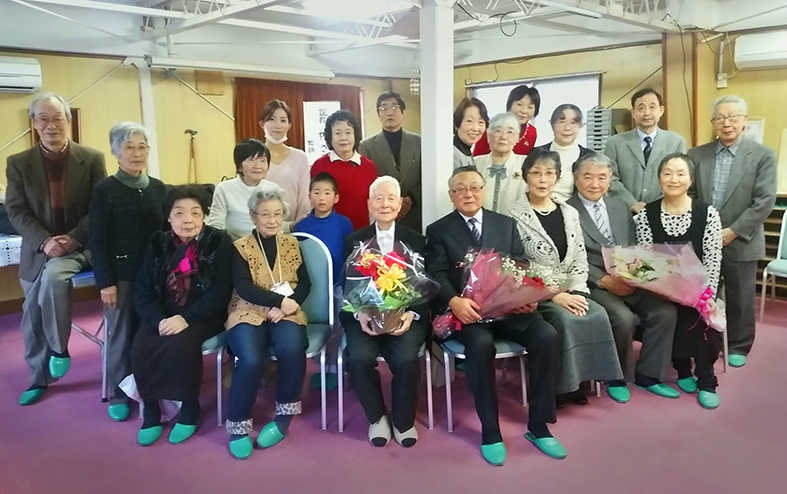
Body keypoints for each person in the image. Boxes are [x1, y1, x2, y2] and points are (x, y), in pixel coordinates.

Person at [426, 166, 564, 466]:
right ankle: (490, 430)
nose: (468, 194)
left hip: (507, 310)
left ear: (483, 190)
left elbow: (520, 265)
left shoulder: (505, 224)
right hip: (469, 313)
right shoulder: (438, 230)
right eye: (460, 189)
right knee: (480, 345)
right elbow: (435, 273)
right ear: (451, 195)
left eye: (474, 187)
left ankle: (539, 426)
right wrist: (454, 301)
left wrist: (525, 297)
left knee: (547, 336)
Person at [6, 91, 107, 406]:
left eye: (58, 118)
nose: (51, 125)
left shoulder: (91, 158)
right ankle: (39, 377)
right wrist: (45, 241)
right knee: (32, 313)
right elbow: (16, 211)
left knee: (51, 283)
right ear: (34, 123)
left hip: (82, 246)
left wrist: (74, 237)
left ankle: (59, 351)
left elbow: (99, 207)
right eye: (44, 119)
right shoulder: (18, 163)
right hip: (39, 250)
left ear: (68, 120)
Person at [505, 149, 623, 404]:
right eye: (536, 173)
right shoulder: (513, 216)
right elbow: (519, 264)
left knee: (596, 314)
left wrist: (578, 290)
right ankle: (560, 388)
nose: (543, 179)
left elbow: (580, 256)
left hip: (571, 288)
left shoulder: (569, 212)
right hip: (537, 294)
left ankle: (581, 382)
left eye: (549, 173)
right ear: (525, 176)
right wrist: (555, 295)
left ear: (557, 177)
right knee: (564, 320)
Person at [566, 152, 679, 401]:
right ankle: (615, 377)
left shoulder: (619, 206)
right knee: (623, 318)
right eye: (588, 177)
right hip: (595, 283)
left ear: (610, 179)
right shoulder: (566, 210)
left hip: (629, 279)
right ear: (576, 178)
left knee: (665, 312)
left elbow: (635, 246)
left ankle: (650, 376)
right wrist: (602, 279)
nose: (595, 184)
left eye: (602, 177)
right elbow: (568, 257)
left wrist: (643, 276)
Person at [131, 186, 232, 446]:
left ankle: (189, 408)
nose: (188, 219)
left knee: (182, 344)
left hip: (203, 315)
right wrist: (158, 320)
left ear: (204, 216)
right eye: (179, 213)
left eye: (195, 213)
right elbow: (142, 290)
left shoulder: (219, 241)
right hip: (163, 313)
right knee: (141, 344)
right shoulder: (157, 242)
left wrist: (186, 318)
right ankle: (151, 410)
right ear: (169, 217)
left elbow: (221, 292)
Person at [688, 95, 777, 368]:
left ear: (744, 121)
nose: (727, 123)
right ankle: (704, 342)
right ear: (713, 122)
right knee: (703, 294)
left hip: (742, 239)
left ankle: (739, 344)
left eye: (733, 117)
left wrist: (733, 231)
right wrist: (702, 229)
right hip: (703, 239)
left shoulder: (762, 155)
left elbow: (764, 201)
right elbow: (690, 194)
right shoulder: (696, 155)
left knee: (740, 297)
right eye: (720, 118)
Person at [341, 176, 429, 448]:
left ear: (401, 204)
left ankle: (403, 421)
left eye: (391, 198)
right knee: (358, 358)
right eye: (379, 198)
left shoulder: (417, 240)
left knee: (406, 358)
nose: (385, 204)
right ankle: (377, 417)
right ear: (369, 203)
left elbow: (426, 283)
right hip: (364, 315)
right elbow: (346, 283)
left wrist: (411, 314)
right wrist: (360, 312)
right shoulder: (353, 240)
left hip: (405, 315)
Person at [224, 185, 311, 459]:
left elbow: (305, 284)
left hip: (286, 310)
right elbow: (243, 287)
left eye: (277, 214)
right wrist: (278, 302)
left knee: (291, 348)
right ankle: (237, 424)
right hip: (247, 308)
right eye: (265, 214)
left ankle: (283, 418)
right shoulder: (240, 247)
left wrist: (288, 306)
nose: (272, 220)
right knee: (250, 359)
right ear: (253, 216)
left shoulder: (292, 244)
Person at [89, 122, 166, 421]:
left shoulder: (158, 187)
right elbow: (97, 239)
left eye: (142, 147)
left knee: (149, 332)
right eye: (129, 147)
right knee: (120, 335)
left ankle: (150, 384)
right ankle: (119, 392)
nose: (136, 153)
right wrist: (105, 282)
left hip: (154, 275)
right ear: (115, 151)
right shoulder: (105, 190)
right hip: (120, 277)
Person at [633, 153, 724, 409]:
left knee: (701, 314)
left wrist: (706, 294)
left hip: (701, 286)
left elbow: (713, 258)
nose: (674, 179)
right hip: (662, 288)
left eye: (681, 173)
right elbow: (645, 258)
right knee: (669, 311)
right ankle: (683, 369)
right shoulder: (646, 214)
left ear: (691, 179)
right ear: (659, 178)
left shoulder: (707, 213)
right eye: (668, 173)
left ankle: (706, 379)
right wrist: (667, 288)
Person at [294, 172, 353, 389]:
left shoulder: (344, 223)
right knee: (318, 324)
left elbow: (350, 254)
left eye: (327, 193)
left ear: (336, 198)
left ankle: (338, 367)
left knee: (339, 325)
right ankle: (322, 368)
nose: (321, 197)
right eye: (317, 192)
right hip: (313, 288)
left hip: (338, 284)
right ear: (309, 196)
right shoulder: (301, 226)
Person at [605, 88, 687, 213]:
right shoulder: (614, 143)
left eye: (652, 107)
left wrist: (657, 206)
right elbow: (610, 178)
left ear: (661, 111)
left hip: (664, 211)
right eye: (641, 108)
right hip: (624, 212)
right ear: (633, 113)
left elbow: (679, 179)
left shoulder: (676, 142)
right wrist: (631, 203)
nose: (646, 113)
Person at [359, 92, 422, 232]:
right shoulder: (366, 146)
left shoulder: (419, 142)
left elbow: (426, 175)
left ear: (402, 112)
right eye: (383, 108)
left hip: (414, 211)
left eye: (394, 107)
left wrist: (410, 198)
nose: (389, 112)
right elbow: (367, 181)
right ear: (378, 115)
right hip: (383, 212)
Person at [311, 110, 379, 230]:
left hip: (361, 232)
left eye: (348, 132)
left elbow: (374, 203)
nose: (343, 138)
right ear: (330, 136)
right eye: (338, 133)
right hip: (328, 231)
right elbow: (313, 203)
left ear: (355, 135)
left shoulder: (369, 167)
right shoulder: (319, 166)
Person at [206, 138, 280, 240]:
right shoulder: (224, 188)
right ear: (239, 166)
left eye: (262, 161)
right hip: (235, 244)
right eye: (251, 160)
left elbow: (278, 221)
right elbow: (216, 224)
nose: (258, 166)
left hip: (268, 242)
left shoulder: (273, 188)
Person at [258, 99, 311, 231]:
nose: (278, 125)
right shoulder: (254, 158)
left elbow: (305, 199)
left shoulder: (300, 157)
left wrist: (297, 226)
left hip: (294, 229)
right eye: (271, 119)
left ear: (289, 125)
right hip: (261, 229)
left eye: (283, 120)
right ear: (262, 124)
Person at [531, 104, 592, 202]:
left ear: (581, 126)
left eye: (573, 123)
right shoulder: (535, 154)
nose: (567, 128)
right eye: (562, 122)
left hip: (576, 210)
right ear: (552, 124)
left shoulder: (590, 157)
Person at [472, 113, 527, 214]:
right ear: (488, 136)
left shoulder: (526, 164)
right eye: (498, 131)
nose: (503, 137)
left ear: (517, 138)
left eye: (510, 132)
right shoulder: (474, 163)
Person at [472, 85, 539, 157]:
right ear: (510, 105)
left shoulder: (532, 132)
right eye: (519, 104)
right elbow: (477, 158)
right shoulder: (491, 127)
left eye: (530, 107)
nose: (524, 111)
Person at [453, 97, 489, 169]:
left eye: (481, 122)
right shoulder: (451, 154)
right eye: (469, 121)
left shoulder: (467, 153)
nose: (475, 128)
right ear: (457, 123)